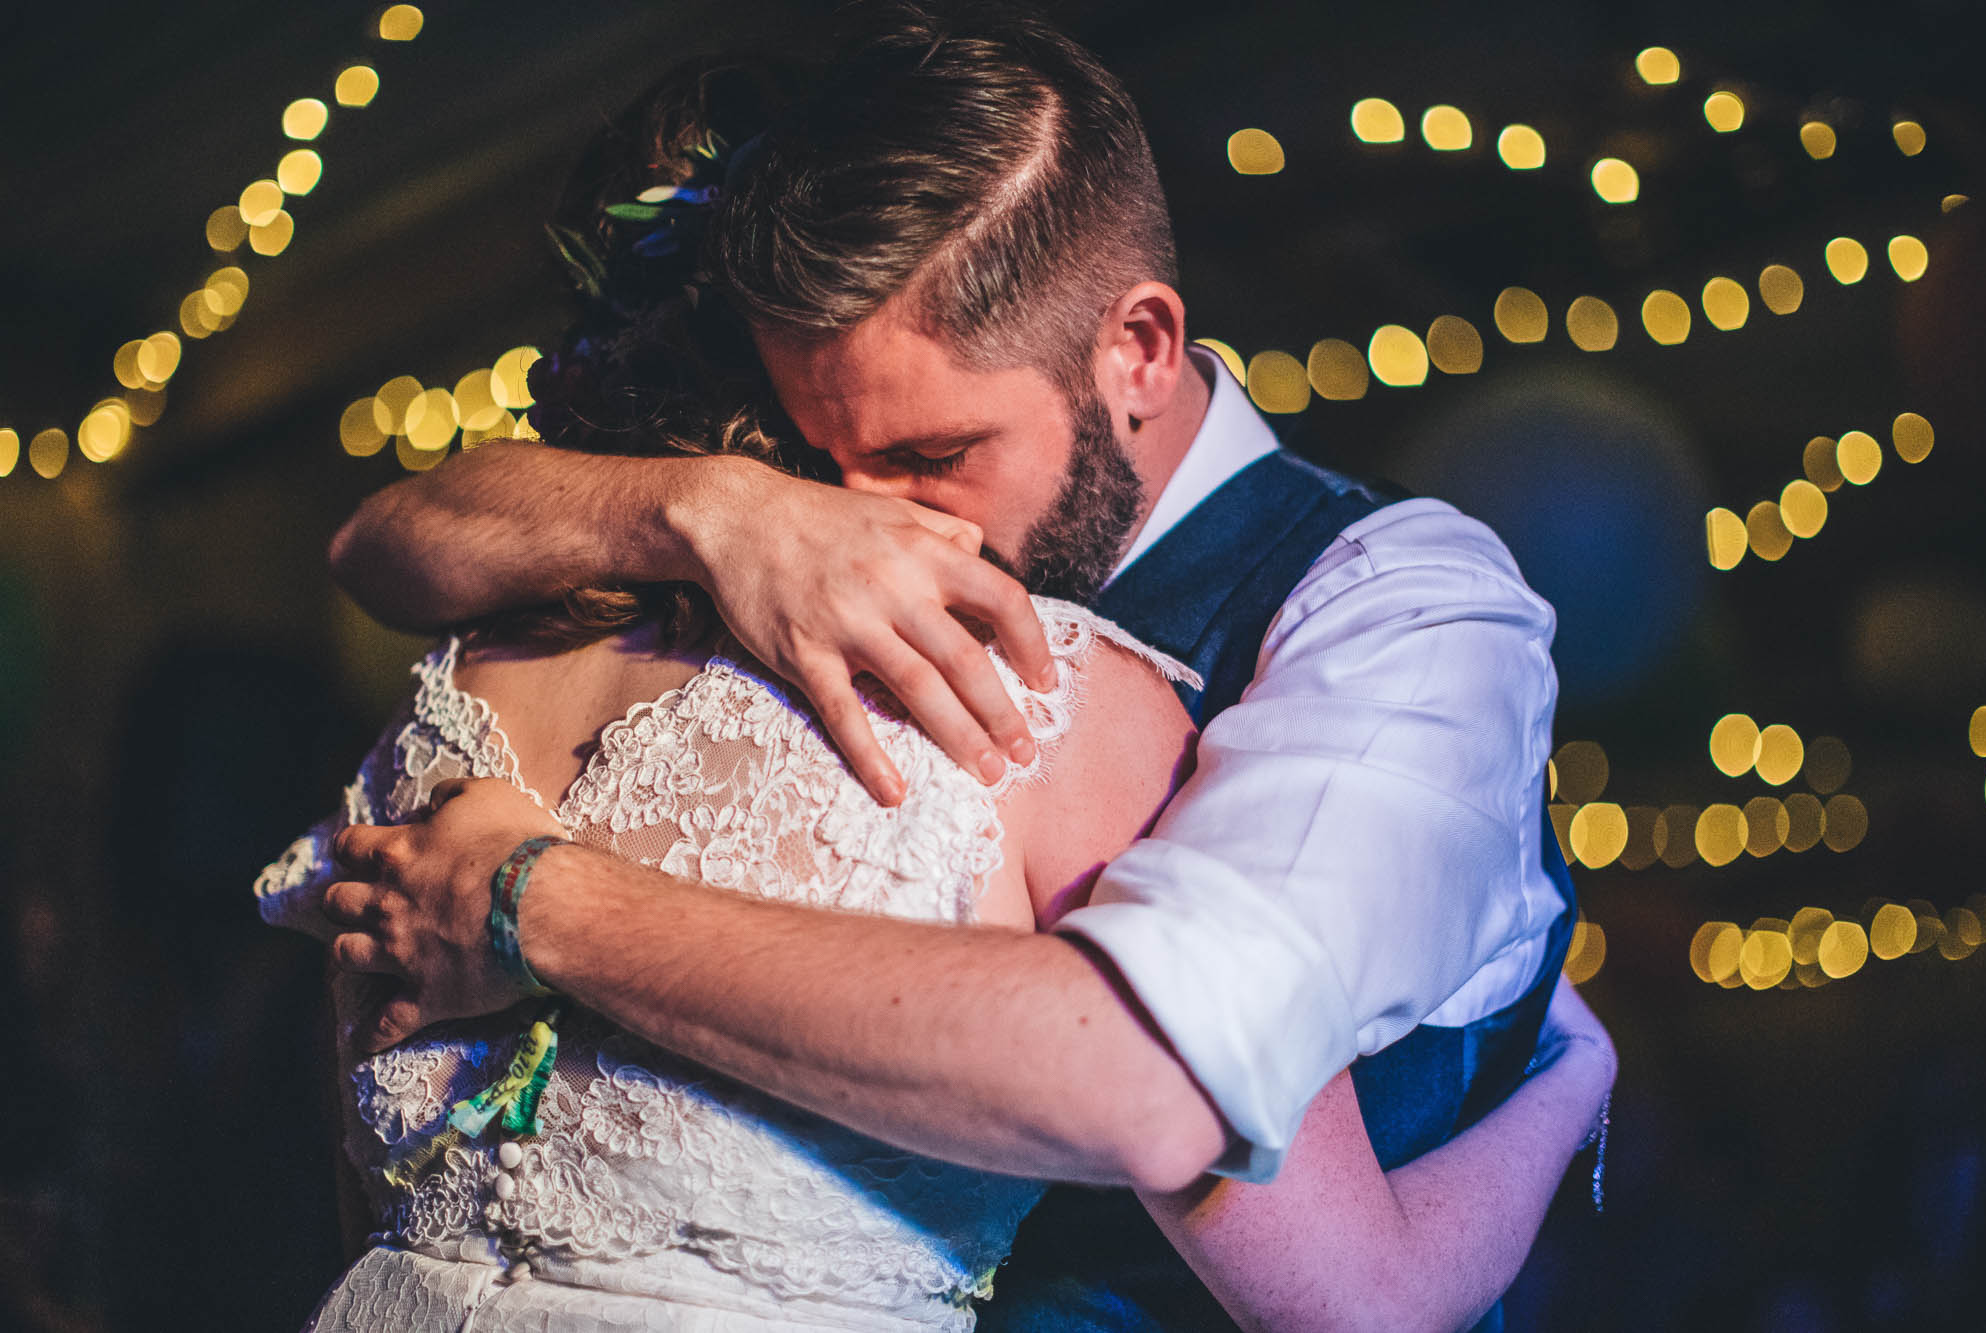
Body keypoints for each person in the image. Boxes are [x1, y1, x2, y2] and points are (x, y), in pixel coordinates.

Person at [317, 6, 1585, 1326]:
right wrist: (718, 508)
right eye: (825, 458)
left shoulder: (1401, 610)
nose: (876, 525)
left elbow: (1159, 1077)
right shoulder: (754, 558)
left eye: (934, 456)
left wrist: (545, 906)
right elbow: (376, 539)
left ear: (1138, 349)